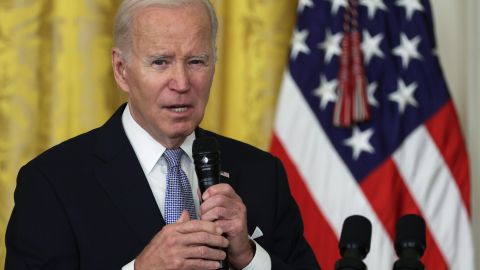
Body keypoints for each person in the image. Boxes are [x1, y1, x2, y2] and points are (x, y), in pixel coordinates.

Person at [5, 0, 321, 269]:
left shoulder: (263, 173)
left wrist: (248, 256)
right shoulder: (52, 182)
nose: (182, 83)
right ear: (121, 69)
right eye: (160, 62)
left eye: (196, 61)